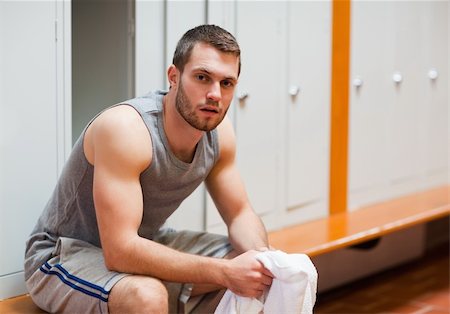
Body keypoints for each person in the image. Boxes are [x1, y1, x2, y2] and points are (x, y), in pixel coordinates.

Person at [24, 24, 273, 313]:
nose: (215, 94)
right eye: (202, 78)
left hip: (144, 242)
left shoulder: (220, 135)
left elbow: (240, 213)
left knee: (254, 268)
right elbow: (120, 251)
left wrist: (263, 259)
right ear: (174, 77)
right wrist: (223, 272)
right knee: (147, 296)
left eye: (226, 83)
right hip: (62, 255)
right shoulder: (125, 129)